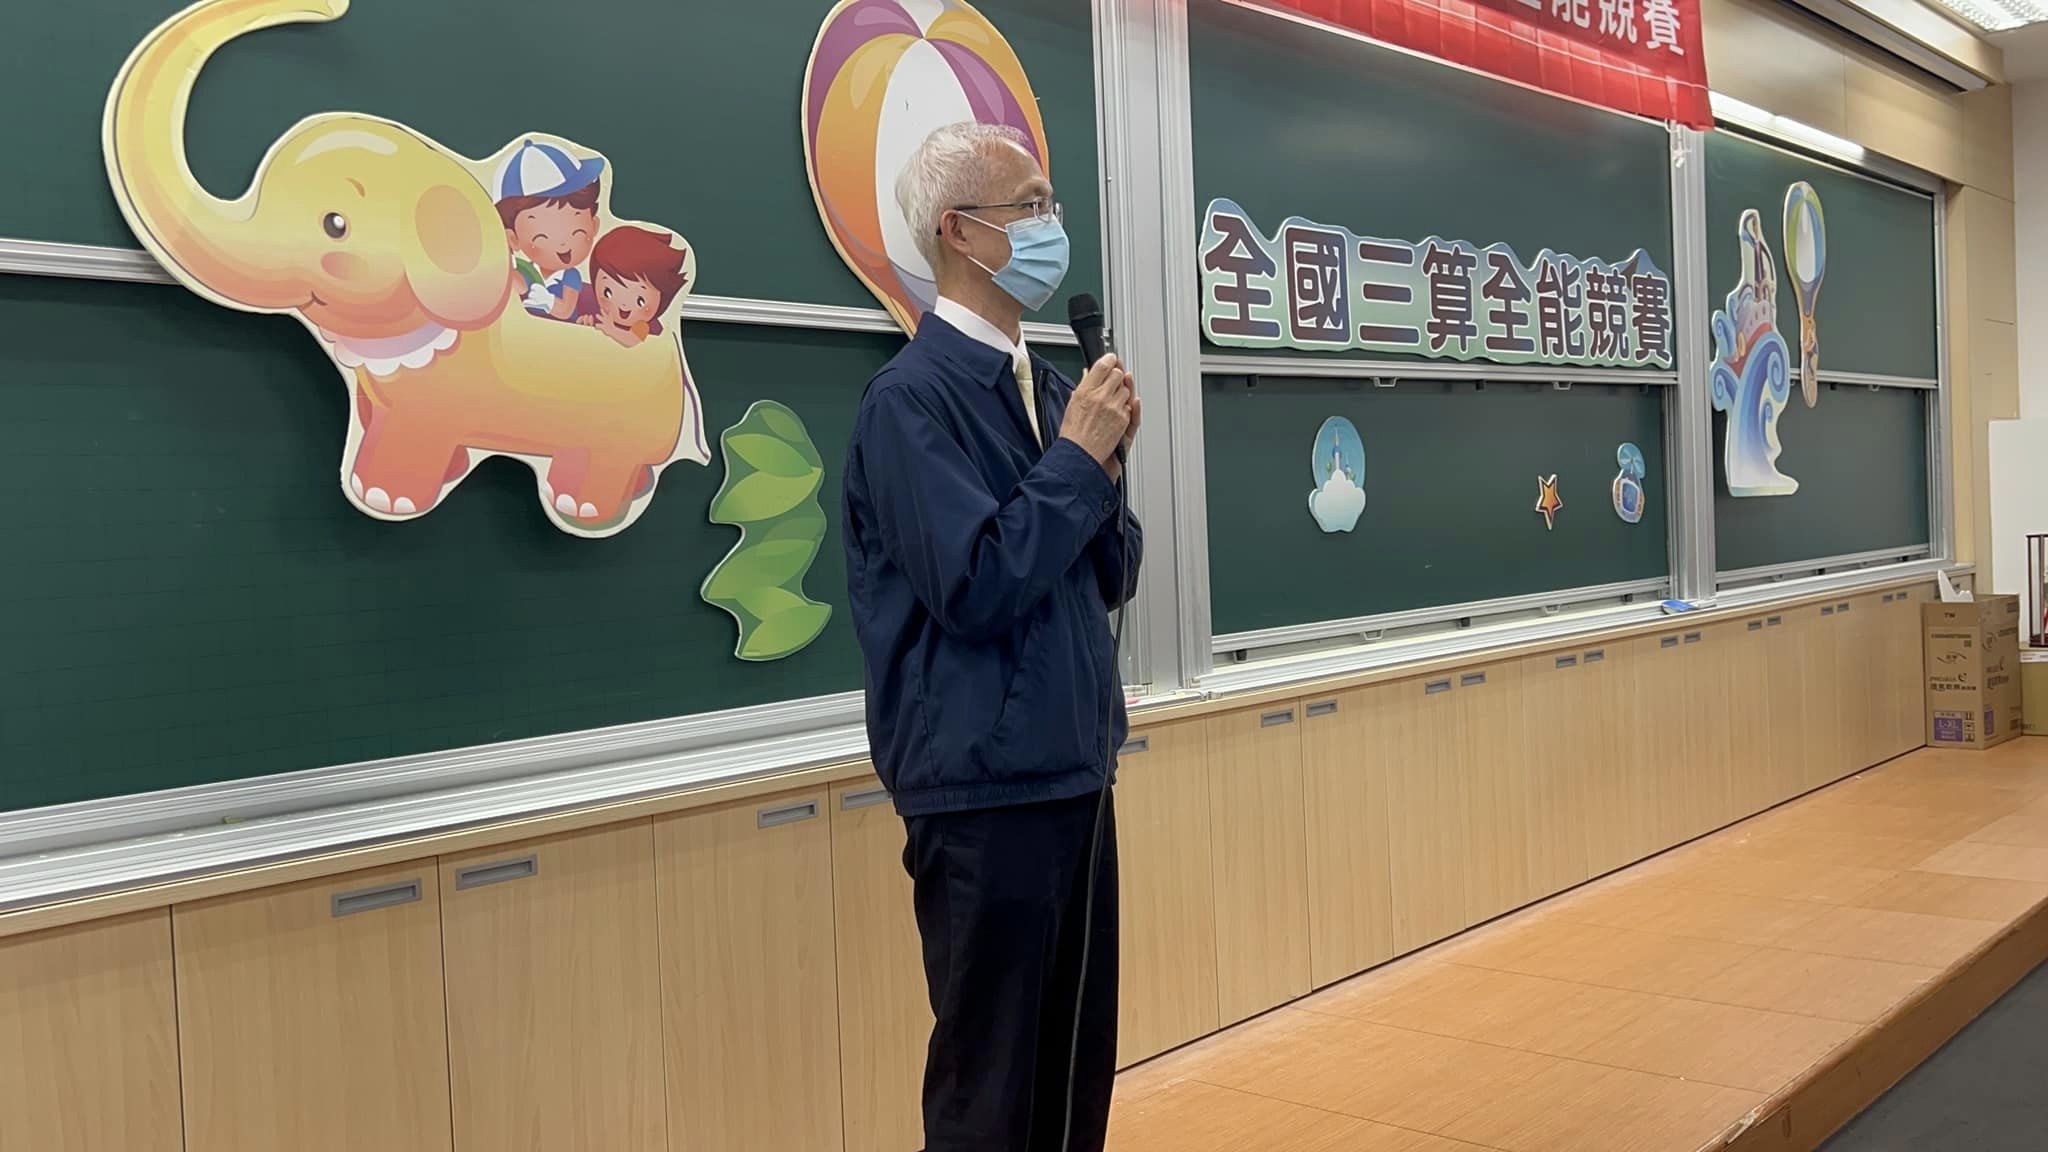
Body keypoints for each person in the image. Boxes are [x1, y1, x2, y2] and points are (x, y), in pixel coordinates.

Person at [842, 121, 1142, 1152]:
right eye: (1032, 207)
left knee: (1074, 1068)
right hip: (982, 795)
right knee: (993, 1085)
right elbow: (974, 585)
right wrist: (1075, 466)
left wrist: (1101, 469)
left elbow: (1111, 574)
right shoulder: (908, 403)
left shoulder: (1052, 388)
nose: (1053, 226)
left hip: (1075, 771)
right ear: (959, 232)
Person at [494, 139, 605, 321]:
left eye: (574, 229)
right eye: (544, 235)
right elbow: (519, 287)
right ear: (513, 239)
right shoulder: (526, 270)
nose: (562, 242)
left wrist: (548, 301)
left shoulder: (570, 275)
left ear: (593, 226)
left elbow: (566, 311)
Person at [576, 226, 690, 348]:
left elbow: (632, 341)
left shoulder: (642, 326)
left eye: (640, 301)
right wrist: (586, 325)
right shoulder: (599, 312)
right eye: (608, 292)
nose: (624, 305)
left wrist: (611, 330)